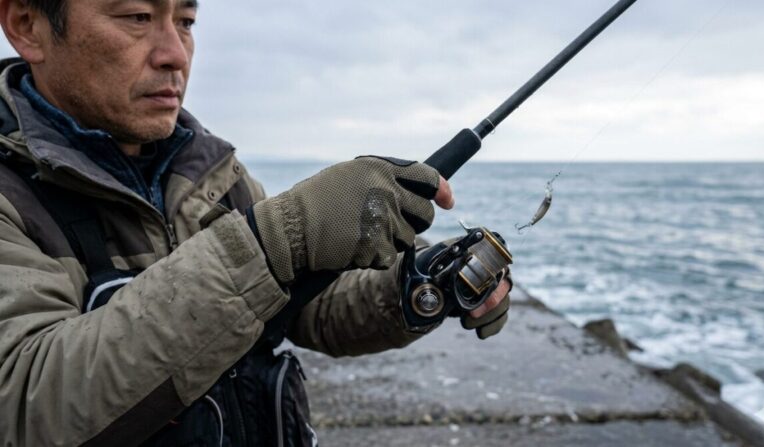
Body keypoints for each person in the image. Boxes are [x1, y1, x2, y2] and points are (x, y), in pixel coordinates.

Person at [0, 0, 512, 445]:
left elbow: (306, 305)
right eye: (136, 17)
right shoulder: (11, 195)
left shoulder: (207, 169)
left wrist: (418, 284)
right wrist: (281, 237)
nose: (175, 54)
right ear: (27, 25)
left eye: (186, 21)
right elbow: (26, 406)